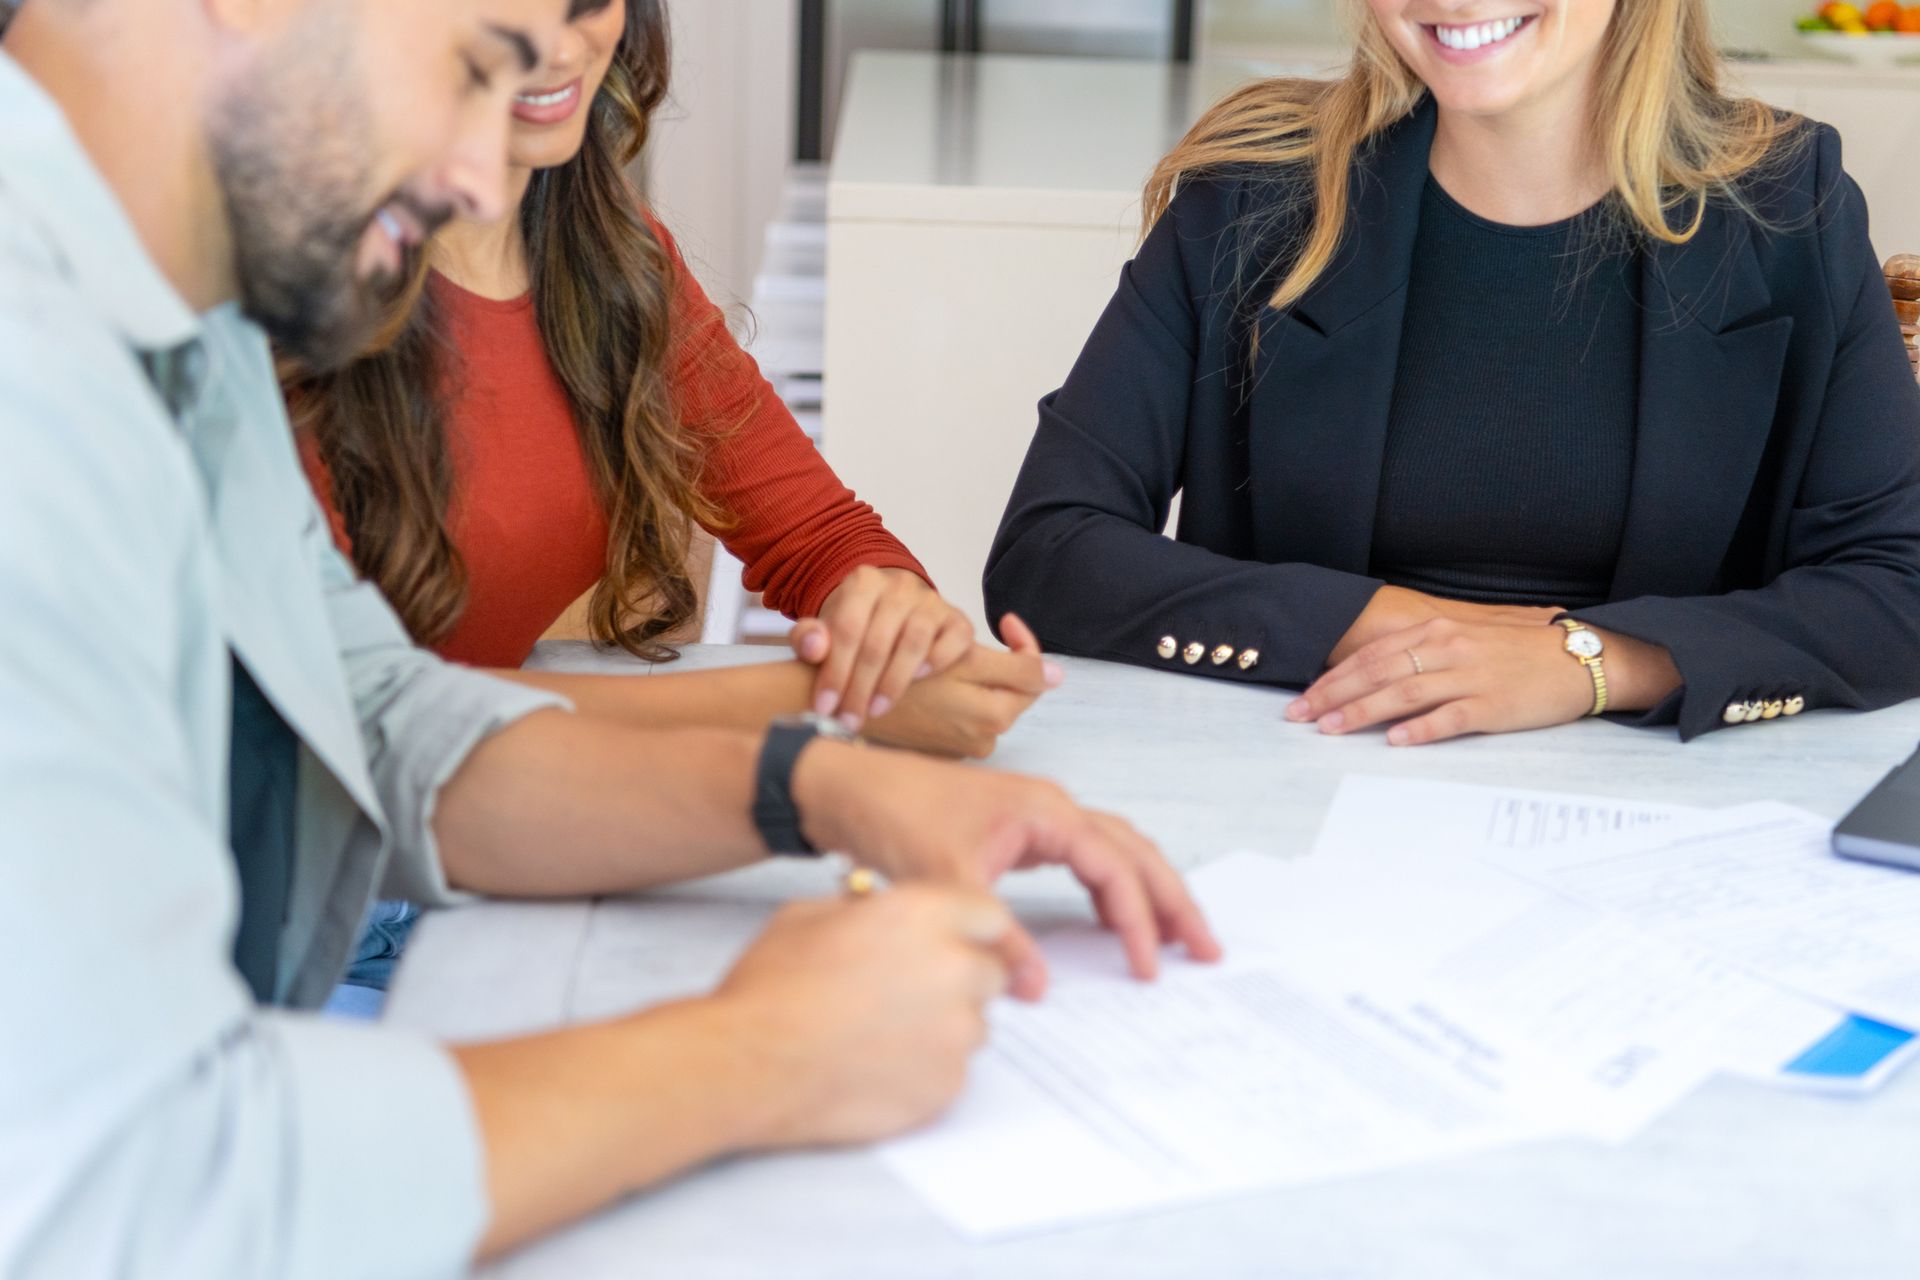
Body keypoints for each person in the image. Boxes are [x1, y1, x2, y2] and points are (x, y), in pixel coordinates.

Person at [0, 1, 1219, 1275]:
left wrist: (821, 784)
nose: (482, 172)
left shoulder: (178, 314)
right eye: (474, 66)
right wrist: (761, 1051)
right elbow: (134, 1192)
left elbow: (374, 719)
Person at [985, 0, 1920, 746]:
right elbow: (1049, 551)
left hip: (1657, 819)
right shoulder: (1255, 192)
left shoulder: (1788, 202)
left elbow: (1898, 582)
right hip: (1313, 778)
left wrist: (1593, 663)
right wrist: (1395, 628)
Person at [290, 0, 1022, 754]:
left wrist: (889, 621)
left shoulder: (614, 257)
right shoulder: (288, 306)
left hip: (521, 814)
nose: (559, 45)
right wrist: (816, 697)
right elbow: (366, 717)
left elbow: (818, 535)